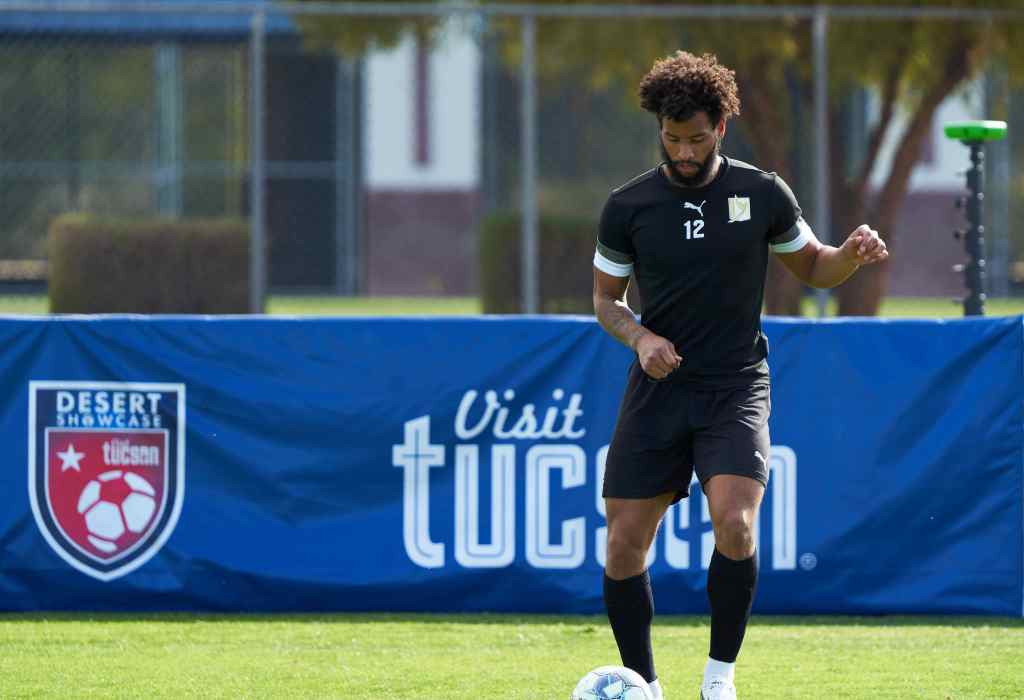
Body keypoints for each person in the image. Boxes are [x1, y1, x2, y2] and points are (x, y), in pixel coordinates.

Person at [592, 51, 888, 700]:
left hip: (734, 385)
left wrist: (851, 257)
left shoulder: (761, 193)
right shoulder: (628, 206)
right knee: (621, 545)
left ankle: (718, 680)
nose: (684, 152)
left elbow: (815, 267)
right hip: (658, 389)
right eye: (672, 139)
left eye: (697, 138)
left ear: (721, 127)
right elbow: (605, 301)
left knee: (737, 525)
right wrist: (640, 337)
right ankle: (642, 685)